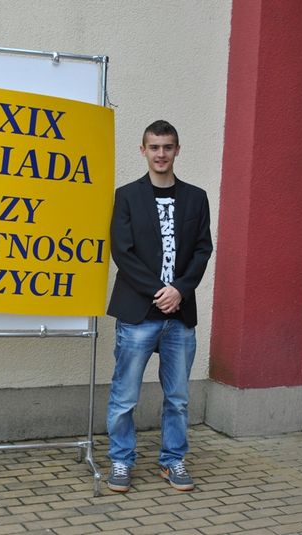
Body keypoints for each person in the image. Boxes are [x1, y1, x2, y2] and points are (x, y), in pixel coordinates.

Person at [106, 120, 213, 492]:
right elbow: (122, 252)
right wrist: (160, 291)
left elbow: (203, 250)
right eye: (154, 147)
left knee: (178, 399)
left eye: (168, 147)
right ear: (143, 151)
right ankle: (121, 461)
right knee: (124, 397)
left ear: (177, 150)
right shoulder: (127, 196)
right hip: (138, 314)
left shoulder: (196, 198)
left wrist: (179, 290)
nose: (161, 154)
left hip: (180, 317)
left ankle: (173, 461)